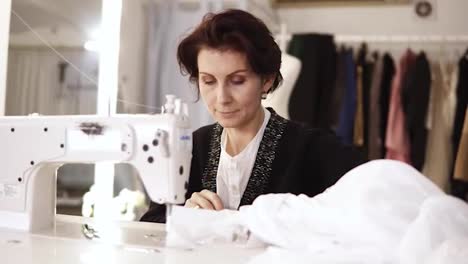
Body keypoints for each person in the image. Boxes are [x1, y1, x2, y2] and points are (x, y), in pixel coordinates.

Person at [141, 9, 364, 223]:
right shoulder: (190, 148)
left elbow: (368, 211)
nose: (222, 98)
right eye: (208, 81)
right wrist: (185, 215)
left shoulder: (314, 150)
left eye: (237, 81)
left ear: (266, 80)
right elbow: (151, 223)